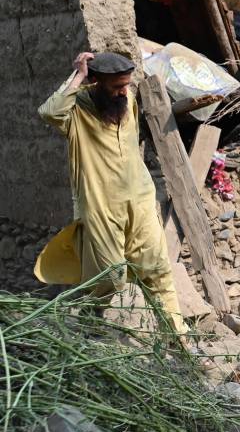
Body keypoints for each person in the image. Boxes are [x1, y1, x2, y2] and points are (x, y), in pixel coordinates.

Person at [38, 51, 187, 333]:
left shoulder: (127, 101)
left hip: (140, 201)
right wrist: (79, 74)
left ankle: (179, 342)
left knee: (158, 271)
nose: (123, 92)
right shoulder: (77, 110)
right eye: (117, 87)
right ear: (96, 82)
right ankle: (88, 325)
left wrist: (123, 91)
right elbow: (48, 112)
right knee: (110, 276)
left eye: (127, 85)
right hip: (101, 207)